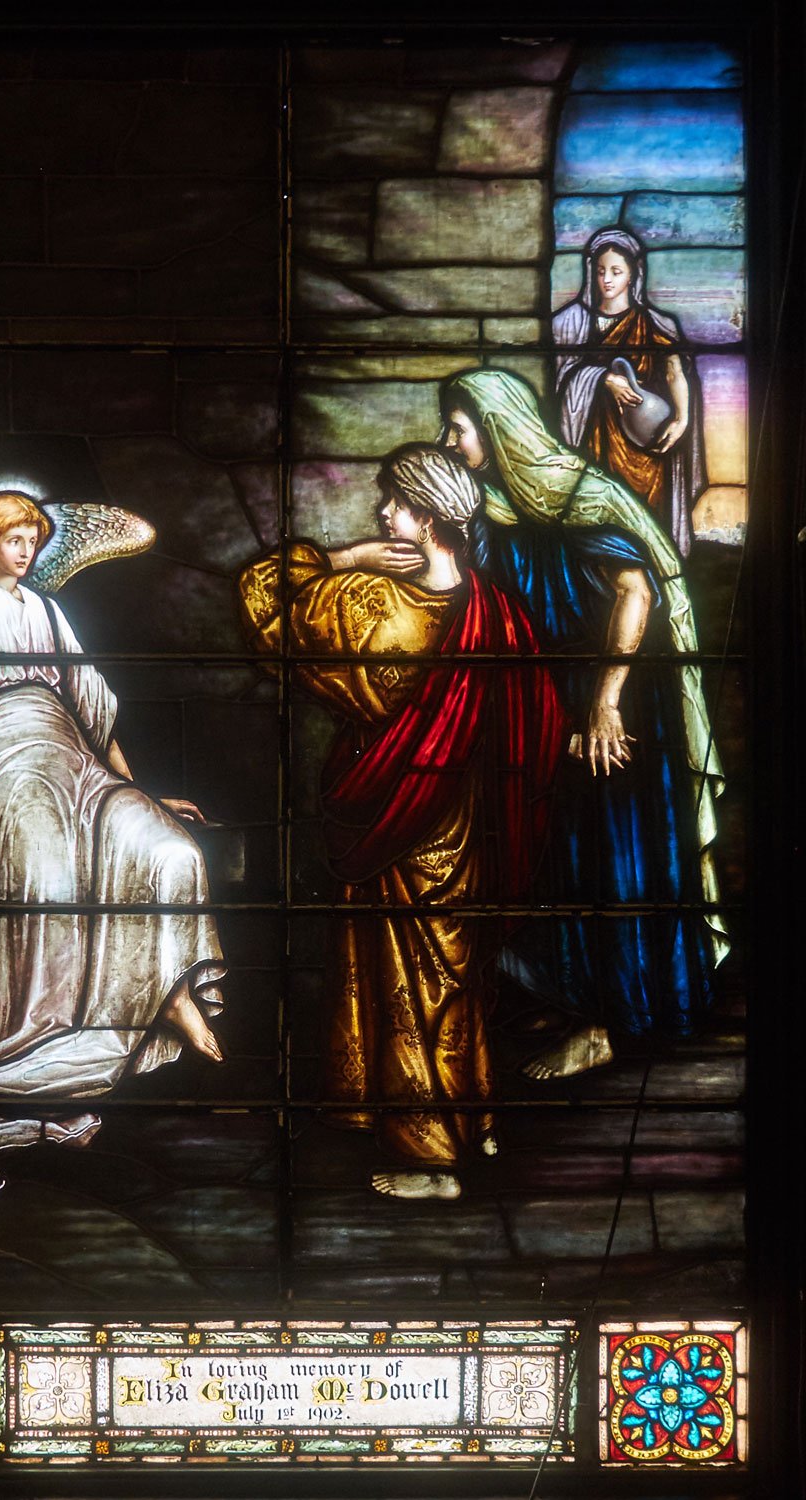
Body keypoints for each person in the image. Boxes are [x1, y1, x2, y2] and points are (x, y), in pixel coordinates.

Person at [0, 369, 226, 1213]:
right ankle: (43, 1052)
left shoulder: (51, 616)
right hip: (7, 757)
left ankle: (168, 996)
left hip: (75, 759)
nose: (26, 549)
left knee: (166, 847)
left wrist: (140, 789)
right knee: (50, 894)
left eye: (33, 538)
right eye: (13, 535)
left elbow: (93, 713)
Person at [239, 444, 565, 1199]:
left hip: (388, 816)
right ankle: (473, 1120)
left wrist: (342, 556)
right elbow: (538, 725)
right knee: (452, 975)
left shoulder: (368, 605)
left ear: (427, 516)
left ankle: (428, 1156)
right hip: (467, 828)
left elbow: (266, 610)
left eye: (394, 502)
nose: (383, 514)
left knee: (405, 979)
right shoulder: (499, 612)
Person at [438, 368, 727, 1079]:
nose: (451, 441)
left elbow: (636, 591)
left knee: (605, 851)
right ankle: (564, 993)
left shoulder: (572, 495)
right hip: (545, 695)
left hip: (612, 689)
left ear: (497, 427)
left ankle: (608, 1019)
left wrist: (605, 701)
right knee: (547, 846)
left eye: (460, 428)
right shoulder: (496, 508)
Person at [553, 226, 707, 557]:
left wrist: (681, 419)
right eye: (600, 271)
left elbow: (674, 370)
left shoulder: (654, 323)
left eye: (616, 271)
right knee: (604, 526)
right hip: (598, 442)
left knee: (650, 526)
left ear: (632, 275)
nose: (606, 279)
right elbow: (563, 380)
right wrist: (602, 379)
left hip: (650, 446)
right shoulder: (575, 323)